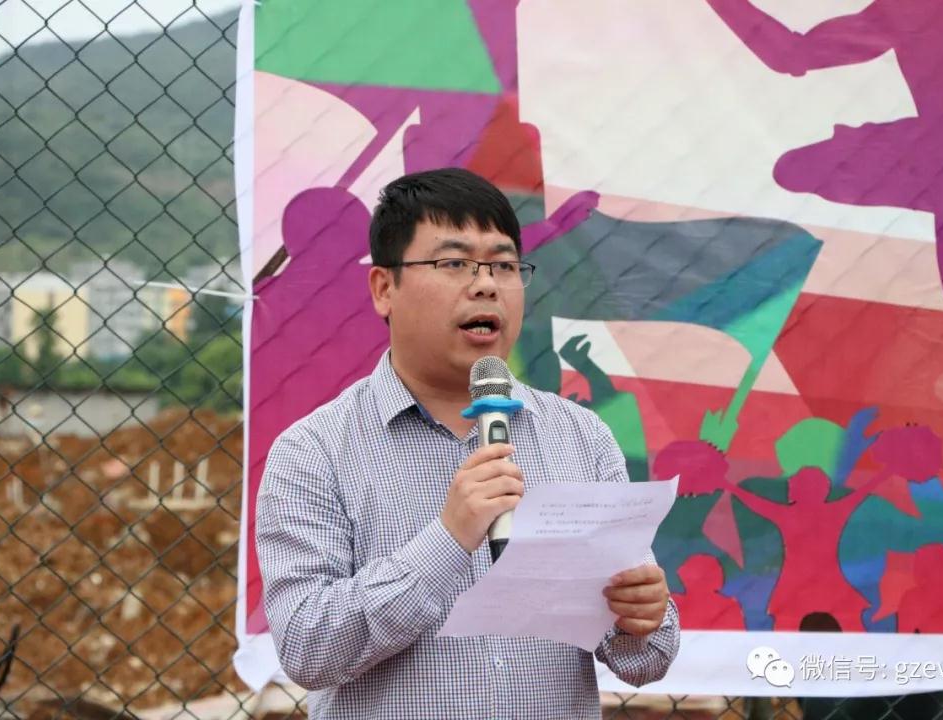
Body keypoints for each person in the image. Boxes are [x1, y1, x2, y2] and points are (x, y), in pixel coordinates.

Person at [256, 168, 680, 719]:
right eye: (454, 263)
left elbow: (646, 660)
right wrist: (449, 539)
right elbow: (307, 648)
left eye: (503, 265)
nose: (486, 286)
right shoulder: (314, 452)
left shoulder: (581, 438)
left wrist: (642, 617)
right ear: (384, 289)